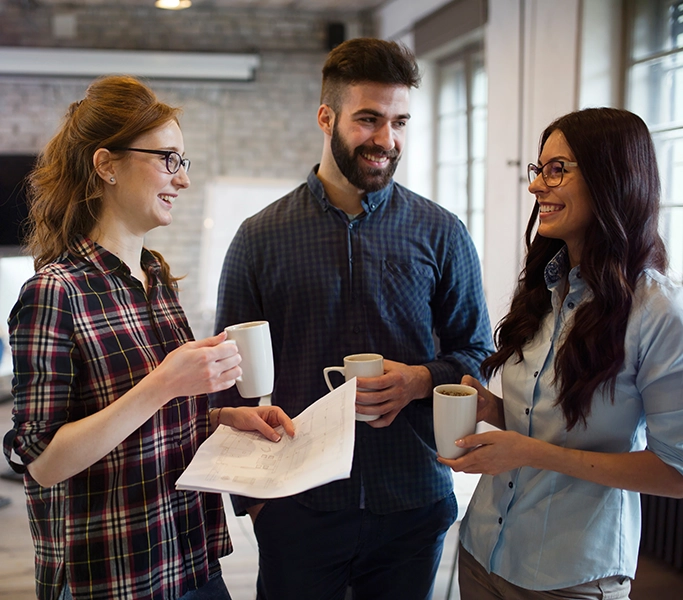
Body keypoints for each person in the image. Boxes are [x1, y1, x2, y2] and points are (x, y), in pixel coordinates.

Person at [213, 37, 493, 600]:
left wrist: (419, 380)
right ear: (326, 116)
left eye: (399, 122)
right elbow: (230, 375)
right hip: (295, 503)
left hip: (412, 501)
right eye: (369, 119)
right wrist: (256, 502)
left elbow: (477, 353)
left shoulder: (442, 232)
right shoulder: (259, 237)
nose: (386, 140)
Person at [2, 75, 295, 600]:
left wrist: (222, 418)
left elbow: (142, 422)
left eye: (183, 162)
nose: (181, 180)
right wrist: (165, 383)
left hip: (189, 556)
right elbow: (44, 462)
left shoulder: (154, 277)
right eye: (168, 159)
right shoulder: (54, 292)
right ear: (106, 164)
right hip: (115, 576)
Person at [439, 107, 683, 600]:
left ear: (612, 178)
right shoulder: (544, 288)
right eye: (539, 169)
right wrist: (497, 413)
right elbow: (546, 421)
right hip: (484, 549)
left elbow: (676, 474)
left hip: (571, 574)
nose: (535, 187)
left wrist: (532, 453)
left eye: (557, 170)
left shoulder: (658, 312)